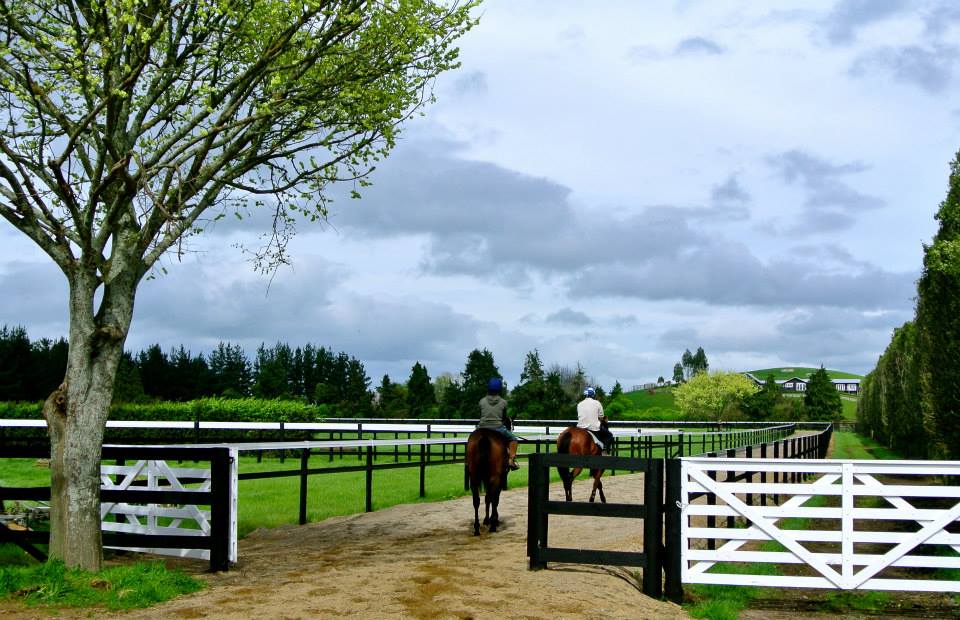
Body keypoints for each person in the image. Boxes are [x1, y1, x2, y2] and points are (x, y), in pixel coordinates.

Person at [477, 377, 520, 470]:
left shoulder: (481, 401)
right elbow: (503, 418)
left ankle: (468, 460)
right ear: (499, 389)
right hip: (498, 428)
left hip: (482, 428)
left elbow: (480, 415)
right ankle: (511, 460)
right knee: (513, 439)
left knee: (472, 439)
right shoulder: (503, 402)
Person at [577, 386, 614, 454]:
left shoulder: (579, 404)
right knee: (609, 435)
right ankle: (604, 450)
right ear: (593, 395)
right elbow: (601, 417)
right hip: (593, 428)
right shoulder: (597, 403)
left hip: (580, 428)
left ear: (585, 395)